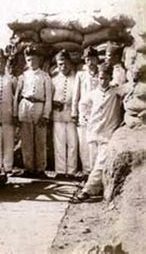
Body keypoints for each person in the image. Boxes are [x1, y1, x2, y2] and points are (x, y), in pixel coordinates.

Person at [70, 63, 129, 203]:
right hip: (93, 132)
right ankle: (98, 189)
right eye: (101, 78)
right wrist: (86, 117)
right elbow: (82, 104)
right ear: (97, 78)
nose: (103, 81)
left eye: (106, 78)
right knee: (92, 162)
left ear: (110, 78)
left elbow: (130, 87)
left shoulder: (115, 92)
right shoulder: (93, 94)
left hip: (108, 133)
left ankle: (86, 192)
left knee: (100, 163)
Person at [14, 46, 52, 177]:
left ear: (39, 60)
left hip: (39, 106)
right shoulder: (23, 77)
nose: (32, 62)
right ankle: (29, 168)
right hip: (25, 106)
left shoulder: (45, 77)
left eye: (34, 59)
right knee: (26, 140)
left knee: (40, 140)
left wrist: (46, 115)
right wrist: (15, 113)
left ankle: (40, 169)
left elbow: (48, 98)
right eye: (29, 60)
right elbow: (17, 97)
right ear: (26, 60)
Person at [71, 46, 100, 175]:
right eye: (88, 59)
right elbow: (76, 95)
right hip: (83, 112)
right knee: (83, 142)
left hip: (98, 112)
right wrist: (74, 112)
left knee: (95, 141)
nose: (90, 63)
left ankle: (95, 170)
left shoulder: (101, 74)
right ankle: (86, 171)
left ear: (97, 59)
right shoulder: (81, 75)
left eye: (93, 59)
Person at [51, 50, 78, 179]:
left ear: (70, 63)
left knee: (72, 143)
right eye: (60, 64)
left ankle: (72, 171)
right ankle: (60, 170)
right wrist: (54, 103)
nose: (63, 67)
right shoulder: (54, 79)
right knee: (59, 142)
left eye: (66, 63)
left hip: (72, 114)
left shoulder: (76, 78)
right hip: (58, 114)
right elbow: (48, 95)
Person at [0, 49, 17, 175]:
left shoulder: (11, 79)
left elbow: (16, 97)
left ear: (6, 62)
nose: (0, 64)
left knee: (8, 141)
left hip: (8, 113)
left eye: (2, 61)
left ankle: (8, 167)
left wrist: (15, 113)